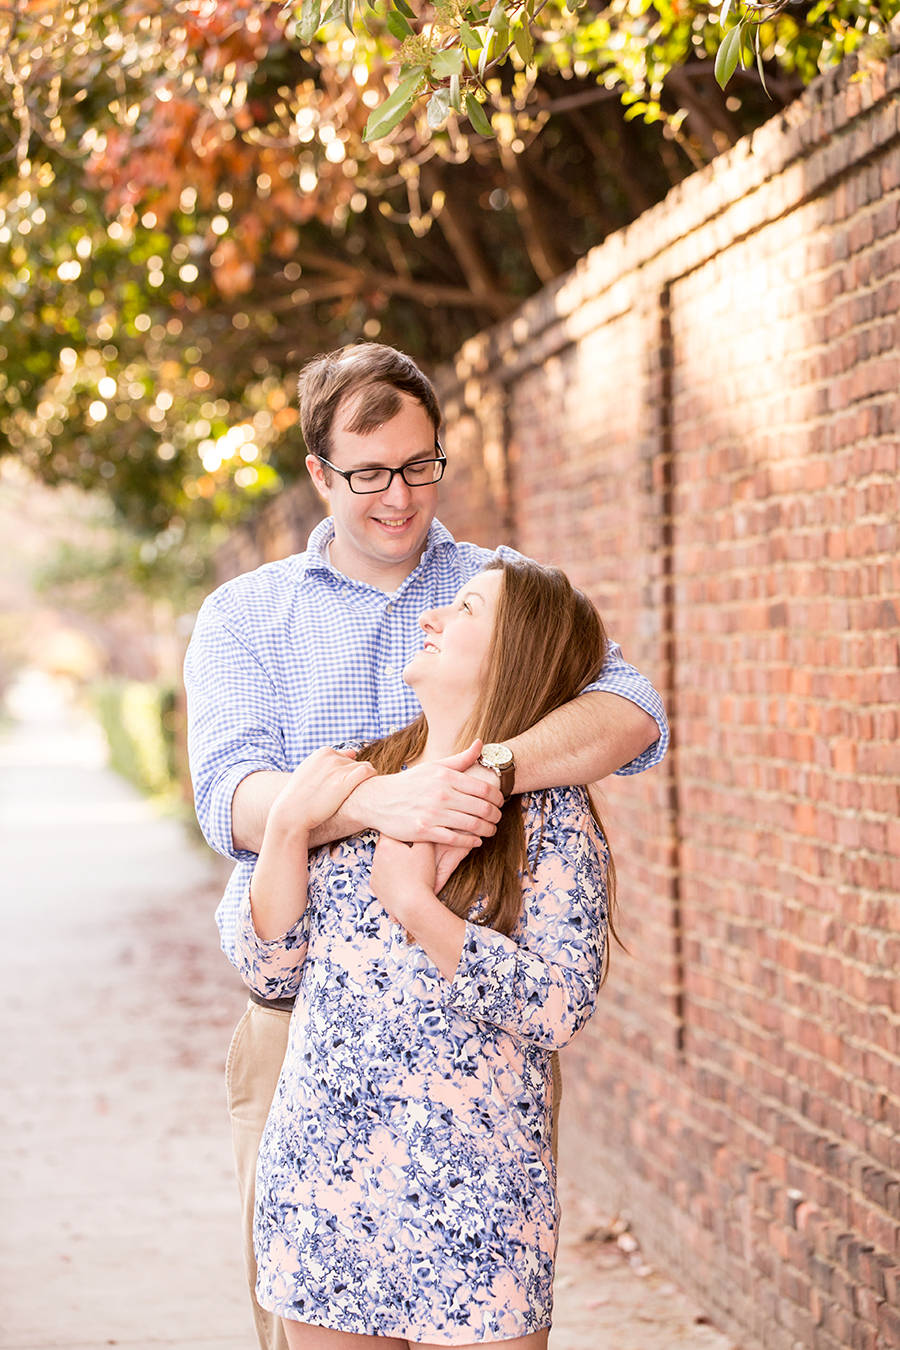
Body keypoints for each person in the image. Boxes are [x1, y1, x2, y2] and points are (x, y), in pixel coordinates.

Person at [184, 343, 668, 1350]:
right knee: (300, 1312)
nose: (400, 497)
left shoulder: (497, 590)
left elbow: (629, 717)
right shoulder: (249, 617)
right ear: (320, 474)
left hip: (473, 1065)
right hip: (309, 1030)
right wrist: (377, 802)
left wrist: (474, 776)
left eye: (420, 465)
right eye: (368, 474)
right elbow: (228, 795)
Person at [236, 557, 613, 1349]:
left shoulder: (549, 813)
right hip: (325, 1182)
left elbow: (557, 1006)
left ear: (515, 653)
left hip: (478, 1192)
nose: (431, 618)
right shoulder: (357, 777)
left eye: (465, 609)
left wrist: (415, 907)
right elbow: (272, 970)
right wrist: (286, 829)